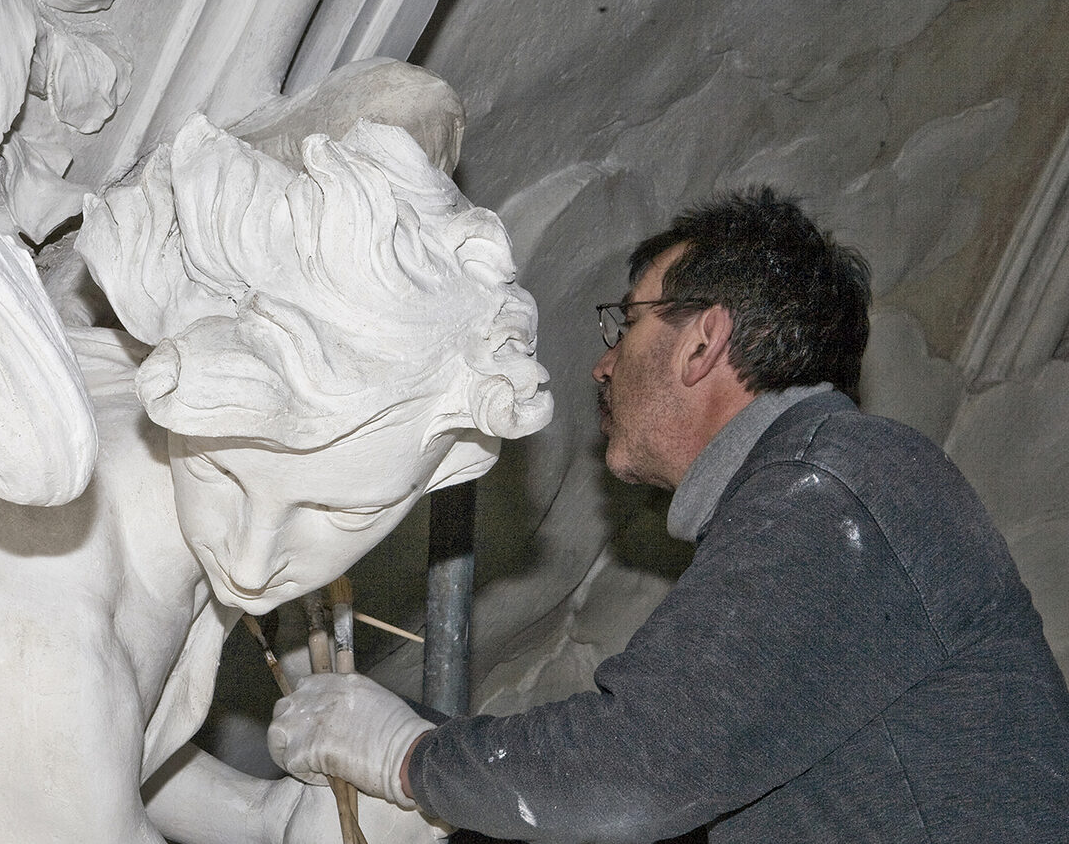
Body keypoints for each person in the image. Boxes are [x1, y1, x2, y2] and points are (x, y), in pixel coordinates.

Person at [267, 187, 1069, 842]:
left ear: (702, 341)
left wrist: (408, 754)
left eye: (628, 321)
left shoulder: (837, 481)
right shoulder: (822, 495)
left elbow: (634, 773)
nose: (602, 362)